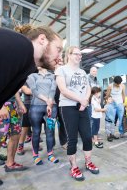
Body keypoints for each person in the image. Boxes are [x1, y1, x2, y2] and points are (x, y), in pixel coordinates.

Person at [0, 25, 63, 157]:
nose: (60, 57)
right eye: (58, 49)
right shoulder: (19, 46)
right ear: (42, 39)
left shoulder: (25, 69)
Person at [55, 46, 99, 181]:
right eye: (76, 54)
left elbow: (88, 88)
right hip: (68, 107)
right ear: (68, 55)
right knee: (72, 139)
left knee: (87, 136)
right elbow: (63, 89)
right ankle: (74, 167)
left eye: (80, 55)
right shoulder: (61, 70)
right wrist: (81, 100)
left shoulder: (82, 71)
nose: (79, 56)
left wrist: (85, 101)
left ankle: (88, 162)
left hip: (83, 106)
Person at [27, 67, 59, 165]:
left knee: (50, 131)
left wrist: (49, 104)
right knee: (36, 132)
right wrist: (47, 100)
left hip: (52, 107)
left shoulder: (53, 76)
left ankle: (50, 154)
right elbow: (34, 90)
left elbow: (53, 89)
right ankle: (35, 155)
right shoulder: (32, 76)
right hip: (36, 107)